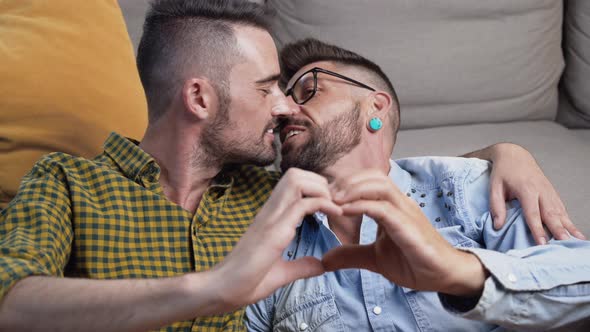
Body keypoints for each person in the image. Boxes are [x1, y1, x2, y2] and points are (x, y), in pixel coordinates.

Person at [0, 1, 583, 331]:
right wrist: (209, 290)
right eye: (270, 89)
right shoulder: (71, 181)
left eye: (299, 89)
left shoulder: (280, 191)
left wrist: (505, 155)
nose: (282, 109)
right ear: (200, 99)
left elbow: (384, 175)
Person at [245, 38, 590, 331]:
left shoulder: (464, 188)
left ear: (375, 106)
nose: (285, 108)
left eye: (308, 89)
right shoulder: (275, 243)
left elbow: (581, 274)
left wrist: (459, 272)